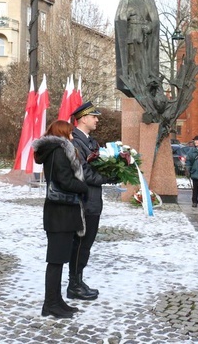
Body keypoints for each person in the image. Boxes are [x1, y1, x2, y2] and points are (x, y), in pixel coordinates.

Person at [33, 120, 89, 319]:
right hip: (60, 213)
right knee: (56, 261)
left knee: (59, 260)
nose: (73, 136)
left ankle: (56, 301)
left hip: (61, 213)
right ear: (63, 133)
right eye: (71, 133)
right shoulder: (58, 152)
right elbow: (65, 181)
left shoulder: (55, 151)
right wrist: (84, 187)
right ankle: (50, 304)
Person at [69, 101, 116, 301]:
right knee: (80, 243)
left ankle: (79, 280)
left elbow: (98, 167)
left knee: (86, 244)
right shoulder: (75, 142)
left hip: (92, 201)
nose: (97, 120)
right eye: (94, 116)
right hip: (83, 202)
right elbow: (84, 173)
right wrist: (109, 178)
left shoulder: (91, 142)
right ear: (84, 119)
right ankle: (74, 285)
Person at [114, 0, 160, 97]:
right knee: (131, 60)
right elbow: (118, 18)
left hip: (144, 36)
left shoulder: (149, 1)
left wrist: (149, 28)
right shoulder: (124, 1)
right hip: (129, 34)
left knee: (143, 60)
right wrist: (126, 14)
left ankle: (144, 82)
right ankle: (132, 82)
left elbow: (155, 21)